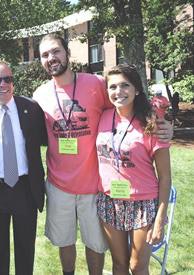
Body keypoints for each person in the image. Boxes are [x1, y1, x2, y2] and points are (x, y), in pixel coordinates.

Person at [32, 33, 173, 275]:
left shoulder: (96, 83)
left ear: (67, 52)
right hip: (58, 185)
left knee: (95, 245)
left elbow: (128, 105)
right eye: (45, 54)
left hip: (95, 187)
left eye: (56, 51)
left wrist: (162, 122)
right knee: (65, 242)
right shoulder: (39, 95)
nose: (51, 58)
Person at [0, 59, 47, 275]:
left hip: (25, 189)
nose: (3, 84)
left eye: (8, 79)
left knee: (26, 250)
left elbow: (51, 138)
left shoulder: (31, 109)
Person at [96, 64, 171, 274]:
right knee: (119, 264)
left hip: (142, 203)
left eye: (125, 85)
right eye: (112, 87)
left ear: (137, 89)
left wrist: (160, 219)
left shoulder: (152, 123)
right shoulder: (102, 116)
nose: (118, 92)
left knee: (137, 266)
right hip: (109, 200)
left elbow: (165, 177)